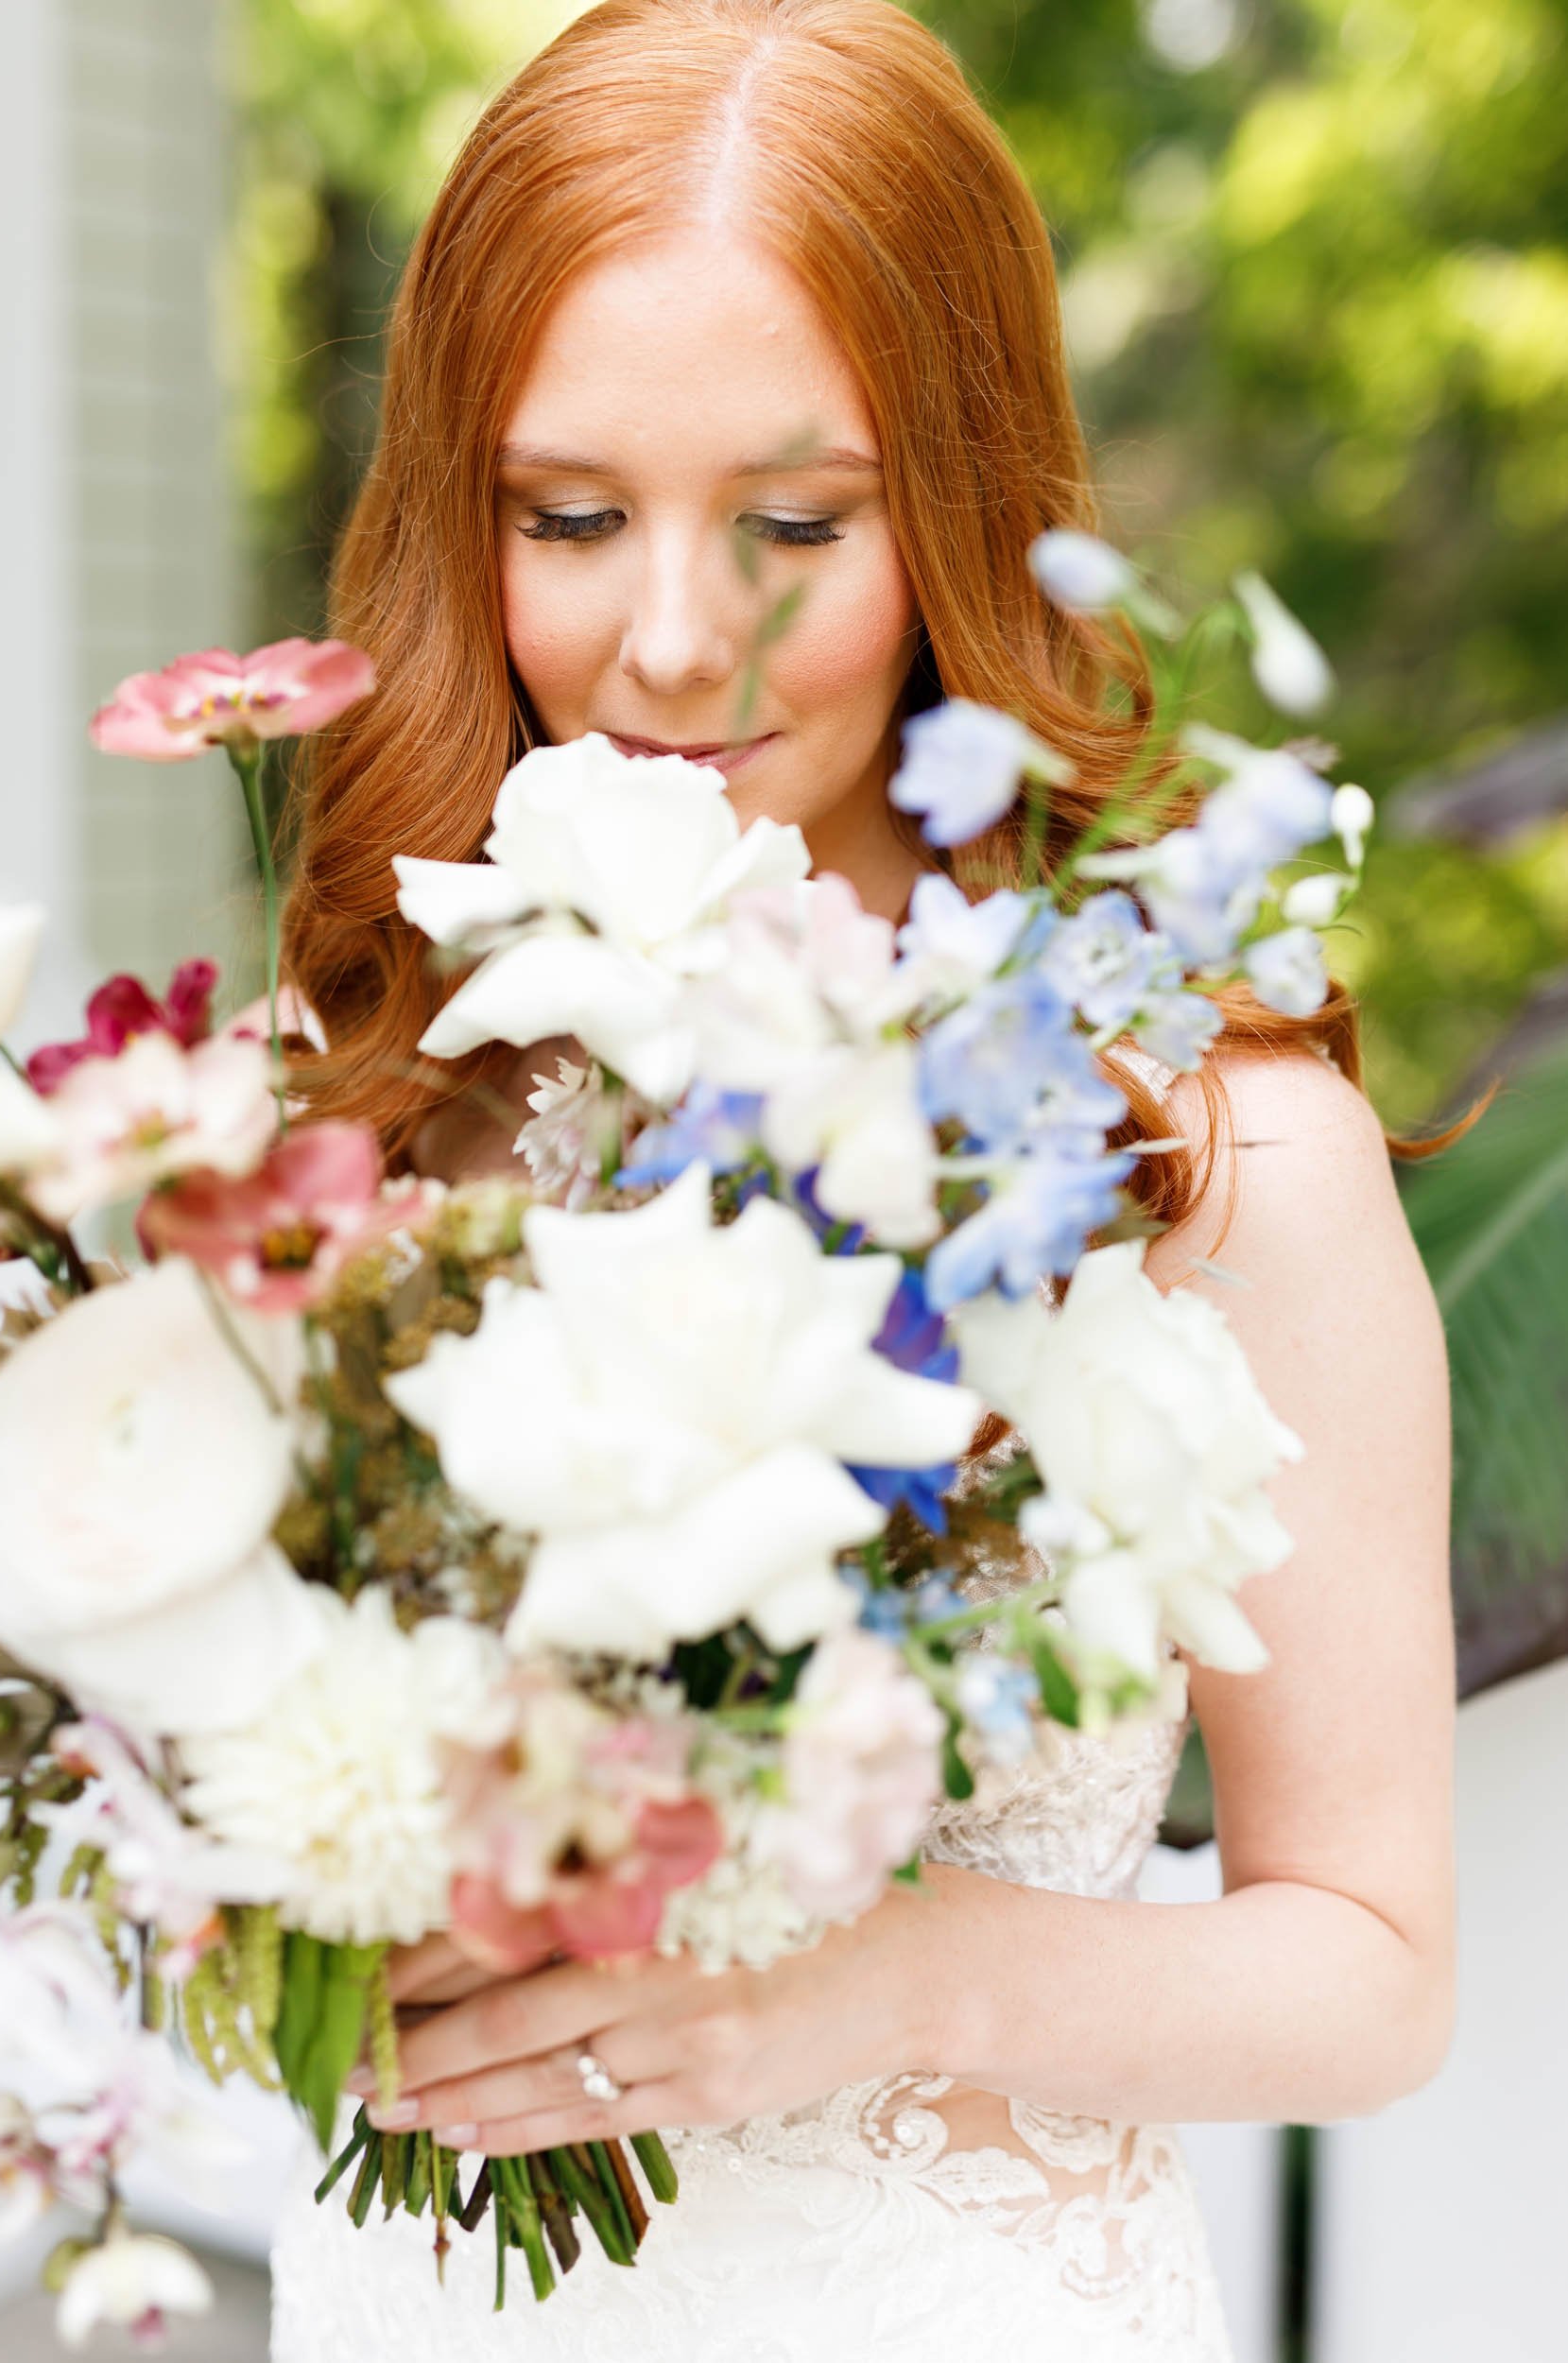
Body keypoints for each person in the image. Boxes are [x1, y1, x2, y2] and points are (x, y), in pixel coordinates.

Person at [267, 4, 1459, 2354]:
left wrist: (875, 1975)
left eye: (794, 524)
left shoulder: (1201, 1147)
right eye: (572, 517)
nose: (677, 638)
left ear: (967, 499)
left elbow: (1377, 1965)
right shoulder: (356, 1094)